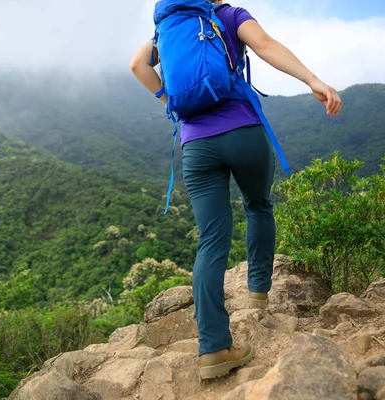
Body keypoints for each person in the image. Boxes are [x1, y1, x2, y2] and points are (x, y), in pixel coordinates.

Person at [130, 0, 342, 380]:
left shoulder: (167, 26)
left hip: (196, 144)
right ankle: (258, 293)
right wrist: (314, 80)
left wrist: (170, 102)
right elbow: (265, 44)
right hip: (243, 131)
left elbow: (137, 66)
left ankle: (214, 349)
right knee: (259, 205)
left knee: (211, 241)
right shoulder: (228, 15)